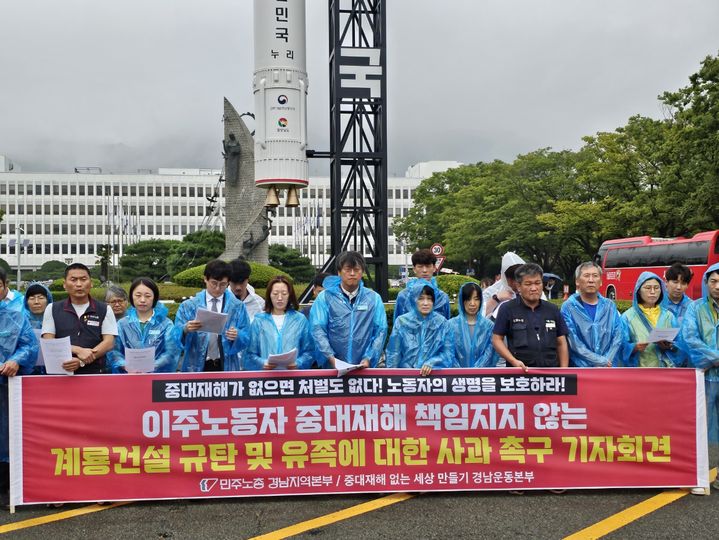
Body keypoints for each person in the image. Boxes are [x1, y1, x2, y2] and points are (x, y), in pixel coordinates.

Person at [678, 262, 719, 492]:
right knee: (699, 427)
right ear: (706, 283)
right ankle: (699, 478)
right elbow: (690, 338)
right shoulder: (695, 308)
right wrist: (715, 357)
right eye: (713, 281)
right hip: (703, 375)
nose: (717, 286)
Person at [310, 251, 388, 368]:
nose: (352, 274)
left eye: (356, 270)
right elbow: (318, 329)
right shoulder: (325, 297)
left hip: (364, 368)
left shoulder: (373, 298)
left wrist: (368, 358)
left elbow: (380, 331)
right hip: (332, 368)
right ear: (339, 272)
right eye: (347, 270)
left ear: (362, 272)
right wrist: (331, 358)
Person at [0, 269, 37, 506]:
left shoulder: (15, 316)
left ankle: (5, 486)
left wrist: (17, 359)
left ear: (5, 287)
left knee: (6, 433)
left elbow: (29, 345)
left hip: (5, 385)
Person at [174, 259, 250, 372]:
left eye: (223, 284)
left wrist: (237, 335)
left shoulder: (237, 307)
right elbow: (174, 335)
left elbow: (247, 335)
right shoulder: (189, 306)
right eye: (214, 283)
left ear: (228, 282)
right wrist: (185, 329)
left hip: (226, 364)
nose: (218, 288)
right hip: (195, 365)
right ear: (205, 279)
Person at [41, 263, 117, 374]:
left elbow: (109, 342)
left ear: (91, 283)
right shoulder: (52, 308)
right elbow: (48, 341)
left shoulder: (105, 309)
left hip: (95, 373)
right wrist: (77, 350)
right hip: (62, 372)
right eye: (73, 280)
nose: (79, 284)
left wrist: (82, 361)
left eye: (83, 279)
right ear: (64, 284)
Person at [492, 263, 569, 371]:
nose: (534, 288)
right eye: (528, 284)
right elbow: (496, 340)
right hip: (520, 374)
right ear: (519, 286)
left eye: (538, 283)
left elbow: (561, 342)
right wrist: (514, 361)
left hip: (551, 374)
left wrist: (564, 370)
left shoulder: (552, 309)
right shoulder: (507, 309)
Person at [108, 277, 182, 373]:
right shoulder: (122, 324)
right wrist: (125, 365)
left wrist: (151, 366)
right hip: (128, 378)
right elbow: (114, 352)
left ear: (154, 297)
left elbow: (171, 352)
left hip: (157, 380)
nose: (142, 300)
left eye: (148, 296)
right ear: (131, 297)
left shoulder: (166, 324)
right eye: (138, 295)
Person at [560, 262, 624, 367]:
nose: (591, 280)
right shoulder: (568, 307)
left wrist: (606, 361)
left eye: (595, 276)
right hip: (581, 371)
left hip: (608, 368)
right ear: (577, 281)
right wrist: (598, 361)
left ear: (601, 281)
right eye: (586, 276)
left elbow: (617, 337)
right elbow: (574, 343)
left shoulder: (609, 306)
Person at [244, 276, 314, 371]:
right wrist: (262, 363)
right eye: (275, 294)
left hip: (293, 377)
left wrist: (298, 363)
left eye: (284, 294)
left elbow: (309, 351)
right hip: (266, 378)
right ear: (269, 295)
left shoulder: (300, 320)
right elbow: (249, 354)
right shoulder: (259, 321)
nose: (280, 298)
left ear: (290, 295)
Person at [618, 272, 683, 368]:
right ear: (639, 290)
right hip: (640, 373)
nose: (653, 292)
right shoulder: (627, 317)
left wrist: (670, 345)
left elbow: (680, 344)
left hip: (666, 372)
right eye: (648, 288)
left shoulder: (669, 316)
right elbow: (619, 346)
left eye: (656, 288)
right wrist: (633, 348)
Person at [386, 281, 451, 375]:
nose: (426, 303)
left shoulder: (442, 323)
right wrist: (390, 376)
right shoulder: (402, 321)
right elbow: (394, 353)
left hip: (434, 377)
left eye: (429, 299)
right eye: (421, 299)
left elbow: (448, 353)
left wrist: (433, 362)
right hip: (406, 377)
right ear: (413, 300)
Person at [449, 282, 499, 368]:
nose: (472, 303)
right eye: (468, 299)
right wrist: (460, 372)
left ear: (481, 301)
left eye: (476, 299)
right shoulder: (451, 325)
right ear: (462, 301)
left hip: (482, 377)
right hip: (457, 378)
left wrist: (476, 371)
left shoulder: (488, 326)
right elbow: (448, 352)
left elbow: (490, 353)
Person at [393, 249, 450, 322]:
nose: (424, 270)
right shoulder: (403, 296)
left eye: (428, 266)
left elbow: (446, 325)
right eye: (420, 266)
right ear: (414, 269)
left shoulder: (442, 297)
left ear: (434, 268)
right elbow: (398, 325)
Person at [482, 252, 526, 319]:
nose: (518, 284)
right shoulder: (493, 291)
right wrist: (496, 299)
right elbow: (479, 316)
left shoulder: (532, 289)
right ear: (506, 278)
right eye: (514, 279)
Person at [23, 282, 53, 375]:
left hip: (53, 371)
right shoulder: (20, 322)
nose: (36, 302)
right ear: (26, 302)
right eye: (32, 298)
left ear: (48, 300)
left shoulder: (57, 319)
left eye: (41, 298)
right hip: (25, 371)